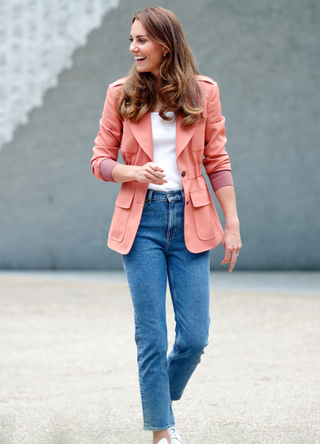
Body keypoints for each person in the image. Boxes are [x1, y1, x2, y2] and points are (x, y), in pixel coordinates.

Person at [91, 6, 241, 444]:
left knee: (194, 338)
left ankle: (158, 397)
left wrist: (232, 221)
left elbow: (218, 160)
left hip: (192, 217)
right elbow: (100, 159)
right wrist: (131, 172)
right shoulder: (120, 93)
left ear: (166, 44)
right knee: (151, 335)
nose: (133, 47)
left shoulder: (202, 92)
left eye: (142, 40)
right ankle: (161, 429)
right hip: (142, 224)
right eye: (131, 40)